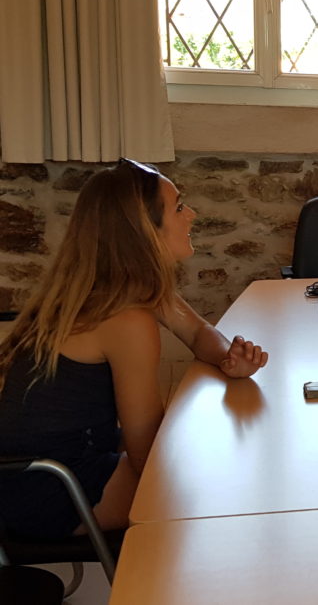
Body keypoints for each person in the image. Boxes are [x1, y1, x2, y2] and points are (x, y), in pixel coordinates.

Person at [0, 158, 269, 539]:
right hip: (50, 487)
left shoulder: (116, 285)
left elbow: (197, 332)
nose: (190, 214)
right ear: (143, 231)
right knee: (220, 493)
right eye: (177, 207)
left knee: (219, 470)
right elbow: (148, 456)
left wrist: (230, 357)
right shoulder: (127, 320)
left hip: (33, 474)